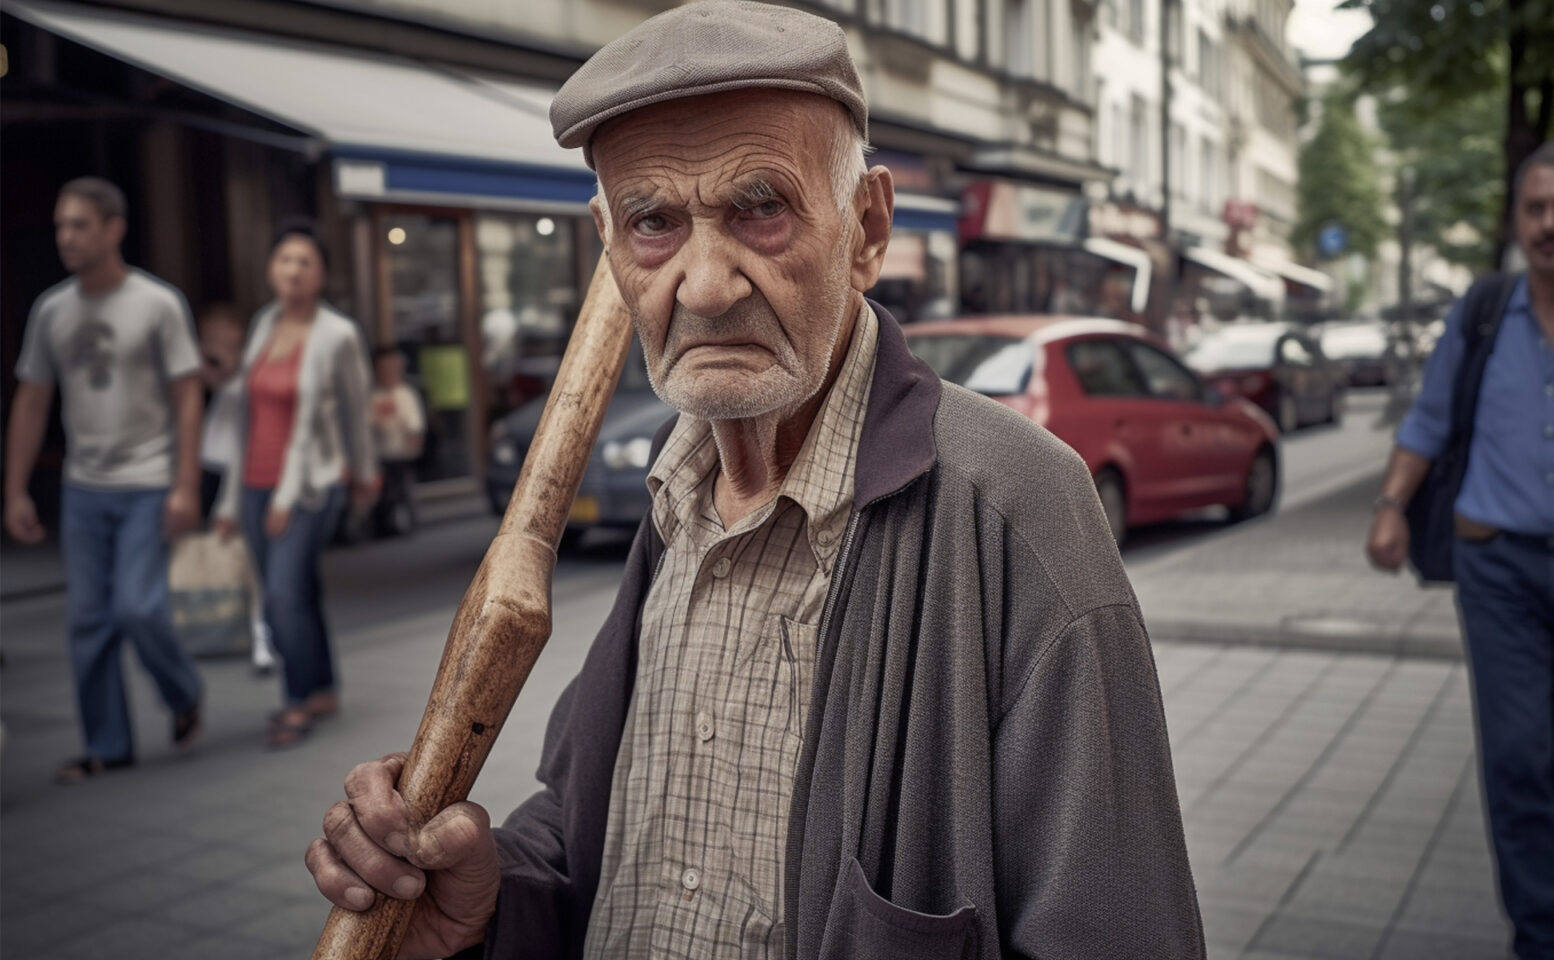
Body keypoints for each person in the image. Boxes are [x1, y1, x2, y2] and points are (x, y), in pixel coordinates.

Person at [305, 4, 1204, 958]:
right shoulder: (675, 504)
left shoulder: (1015, 510)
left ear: (866, 228)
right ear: (610, 250)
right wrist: (487, 901)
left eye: (759, 207)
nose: (704, 285)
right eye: (653, 222)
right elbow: (600, 836)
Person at [1366, 139, 1554, 960]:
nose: (1548, 224)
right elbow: (1430, 418)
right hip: (1496, 566)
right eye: (1534, 208)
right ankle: (1542, 935)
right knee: (1516, 752)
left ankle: (1549, 900)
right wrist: (1392, 503)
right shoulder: (1484, 311)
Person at [4, 176, 205, 783]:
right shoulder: (52, 310)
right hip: (83, 486)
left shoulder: (157, 303)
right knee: (88, 620)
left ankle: (182, 690)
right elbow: (32, 402)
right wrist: (14, 489)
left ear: (113, 229)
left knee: (138, 608)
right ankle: (107, 744)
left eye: (79, 225)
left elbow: (189, 394)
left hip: (148, 479)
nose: (66, 236)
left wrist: (186, 485)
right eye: (61, 225)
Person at [213, 218, 380, 748]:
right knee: (298, 590)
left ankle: (296, 701)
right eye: (285, 259)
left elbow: (355, 411)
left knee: (281, 598)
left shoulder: (338, 335)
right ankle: (323, 685)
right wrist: (230, 498)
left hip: (313, 482)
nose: (293, 270)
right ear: (270, 268)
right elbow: (243, 418)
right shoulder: (263, 325)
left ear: (322, 274)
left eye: (305, 262)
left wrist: (366, 469)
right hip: (256, 480)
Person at [196, 302, 276, 674]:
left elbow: (244, 445)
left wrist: (228, 506)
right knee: (233, 559)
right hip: (211, 471)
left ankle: (262, 635)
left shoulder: (249, 378)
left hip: (240, 479)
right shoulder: (216, 377)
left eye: (222, 338)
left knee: (252, 564)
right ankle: (239, 627)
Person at [368, 345, 425, 536]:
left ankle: (405, 519)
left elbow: (414, 423)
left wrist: (414, 442)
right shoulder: (373, 395)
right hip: (379, 453)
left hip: (400, 452)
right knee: (382, 491)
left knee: (401, 488)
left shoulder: (405, 394)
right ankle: (381, 521)